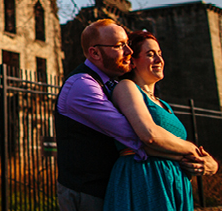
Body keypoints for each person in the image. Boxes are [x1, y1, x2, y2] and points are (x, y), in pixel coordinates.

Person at [56, 19, 205, 211]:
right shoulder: (82, 85)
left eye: (127, 44)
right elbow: (138, 137)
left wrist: (203, 160)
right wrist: (194, 152)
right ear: (94, 53)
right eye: (119, 46)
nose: (129, 51)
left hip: (109, 187)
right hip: (87, 193)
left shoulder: (111, 85)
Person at [103, 30, 218, 211]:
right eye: (150, 54)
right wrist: (195, 152)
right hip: (147, 179)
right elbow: (149, 136)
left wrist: (210, 164)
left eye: (159, 54)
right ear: (132, 61)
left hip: (174, 181)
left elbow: (168, 143)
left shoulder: (164, 104)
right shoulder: (126, 87)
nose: (159, 60)